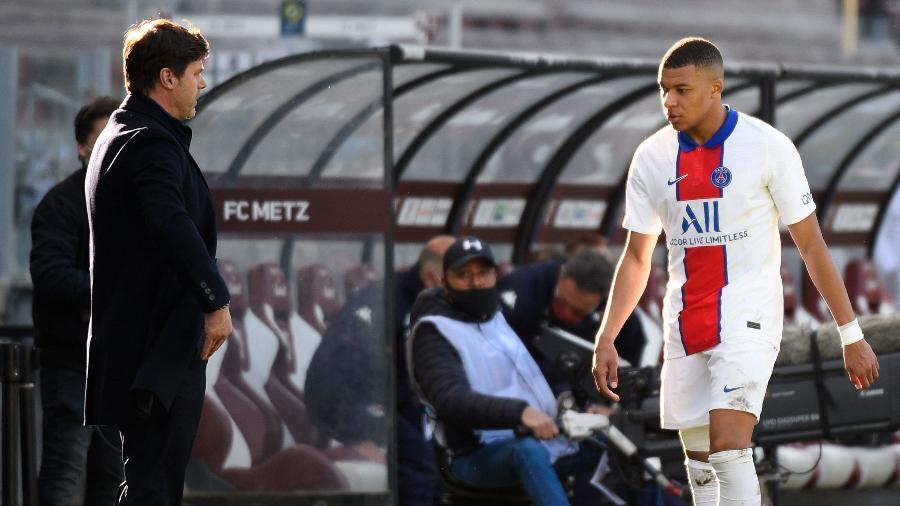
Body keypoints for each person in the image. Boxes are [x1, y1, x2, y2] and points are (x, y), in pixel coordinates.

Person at [591, 37, 880, 506]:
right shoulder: (651, 157)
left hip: (747, 317)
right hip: (684, 323)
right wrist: (608, 335)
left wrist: (851, 334)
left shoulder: (767, 147)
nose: (669, 101)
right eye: (663, 89)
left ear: (715, 88)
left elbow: (810, 244)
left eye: (682, 89)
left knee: (729, 449)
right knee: (700, 468)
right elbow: (637, 256)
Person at [85, 19, 232, 505]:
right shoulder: (148, 141)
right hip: (157, 352)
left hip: (143, 348)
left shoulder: (124, 132)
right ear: (168, 78)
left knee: (149, 481)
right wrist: (216, 301)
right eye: (196, 72)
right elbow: (171, 224)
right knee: (154, 485)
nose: (202, 83)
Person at [409, 236, 581, 506]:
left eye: (483, 273)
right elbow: (451, 399)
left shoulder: (496, 317)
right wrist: (521, 413)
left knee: (623, 445)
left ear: (495, 275)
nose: (475, 282)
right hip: (473, 455)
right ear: (445, 283)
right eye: (463, 275)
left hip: (544, 437)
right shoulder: (433, 331)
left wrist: (570, 401)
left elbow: (539, 372)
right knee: (527, 452)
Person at [304, 235, 454, 505]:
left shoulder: (429, 301)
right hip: (354, 403)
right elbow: (343, 373)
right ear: (432, 279)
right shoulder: (385, 300)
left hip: (395, 402)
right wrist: (360, 430)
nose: (468, 285)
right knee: (418, 463)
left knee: (437, 456)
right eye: (460, 275)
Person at [31, 96, 122, 505]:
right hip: (72, 363)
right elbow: (51, 277)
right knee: (65, 471)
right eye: (102, 139)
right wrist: (115, 287)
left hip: (118, 365)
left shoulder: (131, 203)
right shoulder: (61, 204)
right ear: (81, 149)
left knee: (112, 474)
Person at [500, 249, 646, 393]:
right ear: (562, 274)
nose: (567, 315)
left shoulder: (616, 310)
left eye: (579, 312)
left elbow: (629, 366)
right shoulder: (523, 289)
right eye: (561, 302)